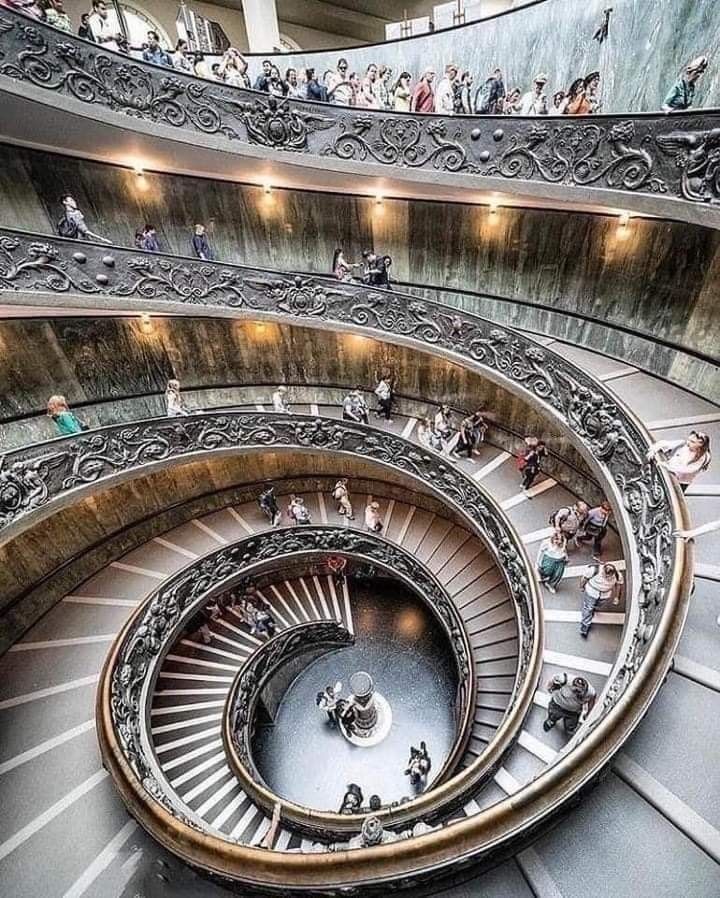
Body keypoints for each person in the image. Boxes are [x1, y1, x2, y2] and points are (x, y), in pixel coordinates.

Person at [646, 431, 711, 493]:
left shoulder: (704, 457)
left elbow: (687, 470)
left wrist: (667, 467)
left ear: (700, 444)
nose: (688, 442)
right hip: (668, 472)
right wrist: (653, 450)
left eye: (692, 442)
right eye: (689, 440)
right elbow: (663, 443)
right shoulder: (683, 444)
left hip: (681, 482)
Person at [580, 562, 623, 637]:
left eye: (608, 576)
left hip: (604, 595)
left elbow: (618, 586)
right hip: (592, 592)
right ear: (603, 569)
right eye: (605, 575)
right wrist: (582, 586)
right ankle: (585, 625)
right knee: (588, 608)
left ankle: (591, 610)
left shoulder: (618, 575)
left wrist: (617, 597)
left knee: (597, 606)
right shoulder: (594, 570)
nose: (606, 577)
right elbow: (584, 578)